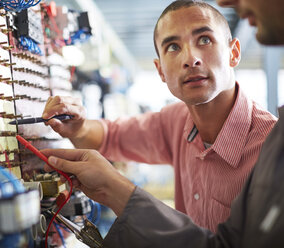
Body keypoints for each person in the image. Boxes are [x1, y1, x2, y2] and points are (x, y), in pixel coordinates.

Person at [41, 0, 284, 247]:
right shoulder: (176, 121)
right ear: (161, 72)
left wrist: (115, 188)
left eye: (204, 40)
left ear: (234, 53)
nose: (191, 59)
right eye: (173, 47)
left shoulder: (271, 150)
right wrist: (78, 127)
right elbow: (110, 136)